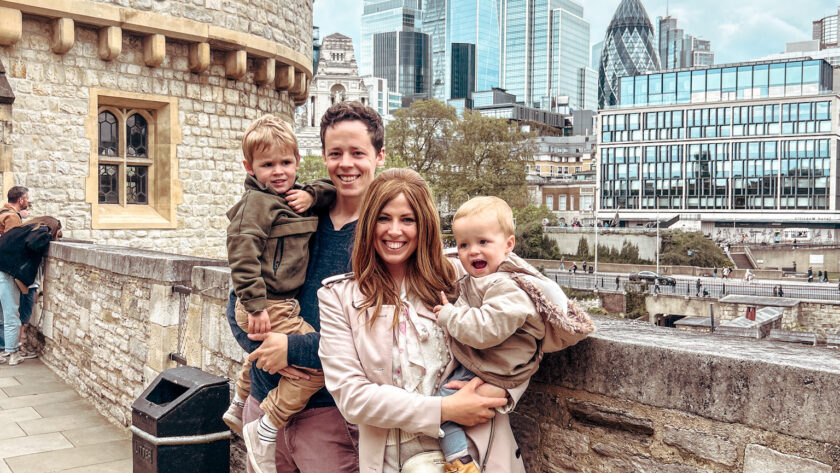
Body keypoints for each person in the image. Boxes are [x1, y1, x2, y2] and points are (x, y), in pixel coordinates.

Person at [318, 169, 527, 473]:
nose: (394, 231)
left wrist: (499, 392)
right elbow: (352, 397)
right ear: (368, 223)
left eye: (408, 220)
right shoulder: (338, 297)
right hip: (390, 461)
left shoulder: (463, 272)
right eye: (383, 218)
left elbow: (528, 323)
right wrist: (443, 409)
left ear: (425, 225)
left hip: (476, 449)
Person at [226, 101, 386, 473]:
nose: (346, 164)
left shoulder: (386, 236)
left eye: (358, 153)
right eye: (335, 153)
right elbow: (239, 295)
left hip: (330, 415)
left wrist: (292, 349)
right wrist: (264, 347)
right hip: (263, 399)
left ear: (379, 156)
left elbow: (375, 339)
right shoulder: (296, 212)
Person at [432, 197, 594, 472]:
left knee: (440, 407)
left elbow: (484, 330)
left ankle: (459, 461)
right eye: (464, 245)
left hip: (493, 369)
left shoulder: (506, 286)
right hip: (493, 367)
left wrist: (449, 316)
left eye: (483, 242)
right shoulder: (485, 279)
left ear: (508, 245)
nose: (472, 252)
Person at [223, 115, 337, 473]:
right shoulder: (257, 204)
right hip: (267, 303)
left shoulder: (289, 197)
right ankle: (267, 425)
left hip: (274, 301)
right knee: (320, 368)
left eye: (286, 162)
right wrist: (256, 306)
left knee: (260, 353)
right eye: (267, 164)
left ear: (298, 161)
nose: (278, 171)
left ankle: (239, 404)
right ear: (249, 167)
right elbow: (241, 255)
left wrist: (310, 194)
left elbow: (330, 189)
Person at [0, 217, 61, 366]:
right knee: (11, 315)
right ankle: (13, 353)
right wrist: (48, 236)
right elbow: (34, 244)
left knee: (3, 316)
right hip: (6, 274)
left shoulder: (19, 230)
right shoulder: (41, 231)